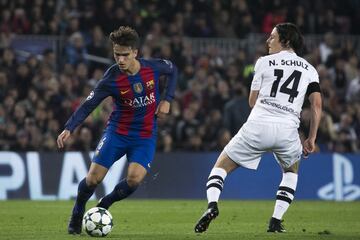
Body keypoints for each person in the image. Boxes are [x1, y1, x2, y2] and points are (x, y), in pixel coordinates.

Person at [194, 23, 322, 233]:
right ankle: (275, 220)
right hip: (287, 130)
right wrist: (311, 138)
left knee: (221, 166)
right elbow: (316, 105)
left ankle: (212, 206)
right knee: (291, 172)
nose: (267, 41)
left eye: (272, 37)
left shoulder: (263, 62)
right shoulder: (310, 69)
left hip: (258, 126)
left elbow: (252, 101)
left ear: (286, 41)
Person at [57, 26, 177, 235]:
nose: (120, 60)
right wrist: (69, 127)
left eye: (125, 55)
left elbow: (173, 70)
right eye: (116, 54)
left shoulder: (153, 68)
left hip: (145, 135)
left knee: (134, 179)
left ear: (135, 53)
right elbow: (89, 103)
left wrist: (167, 99)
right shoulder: (111, 78)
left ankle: (105, 203)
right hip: (117, 132)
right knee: (93, 179)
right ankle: (78, 210)